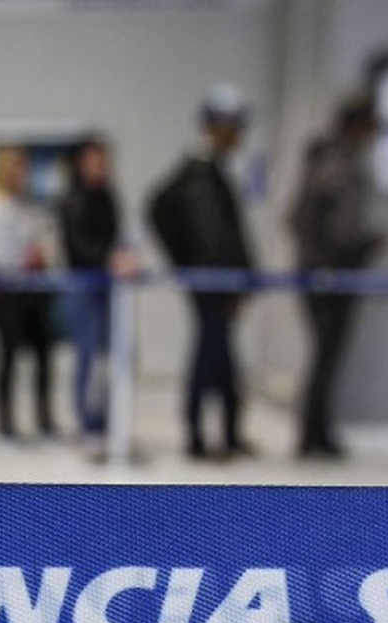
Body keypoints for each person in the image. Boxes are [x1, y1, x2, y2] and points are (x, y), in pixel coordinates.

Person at [149, 84, 256, 459]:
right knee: (208, 359)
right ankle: (197, 437)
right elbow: (211, 238)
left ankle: (228, 434)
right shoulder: (198, 176)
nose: (238, 135)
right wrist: (189, 266)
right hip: (213, 286)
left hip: (219, 283)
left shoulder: (214, 172)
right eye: (233, 126)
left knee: (224, 362)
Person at [290, 97, 384, 458]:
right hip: (329, 273)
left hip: (329, 269)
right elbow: (314, 221)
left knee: (328, 357)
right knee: (326, 355)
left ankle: (318, 431)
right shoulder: (336, 164)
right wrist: (348, 252)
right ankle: (312, 433)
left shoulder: (328, 160)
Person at [58, 135, 136, 437]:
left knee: (111, 356)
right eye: (96, 161)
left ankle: (107, 420)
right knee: (87, 356)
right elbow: (77, 247)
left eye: (105, 161)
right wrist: (108, 259)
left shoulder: (108, 196)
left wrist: (123, 255)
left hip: (108, 286)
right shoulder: (72, 199)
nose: (102, 167)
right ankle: (87, 423)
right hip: (83, 286)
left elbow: (117, 235)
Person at [0, 145, 56, 441]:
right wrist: (24, 259)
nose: (19, 174)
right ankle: (5, 422)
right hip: (7, 291)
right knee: (8, 357)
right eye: (13, 167)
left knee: (43, 354)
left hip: (31, 290)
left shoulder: (22, 204)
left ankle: (44, 419)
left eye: (22, 168)